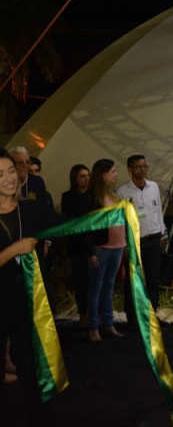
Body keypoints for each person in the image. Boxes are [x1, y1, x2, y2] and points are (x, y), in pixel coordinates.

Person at [0, 149, 62, 426]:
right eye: (0, 174)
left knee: (33, 375)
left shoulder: (32, 208)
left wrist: (109, 217)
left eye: (11, 171)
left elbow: (67, 225)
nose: (9, 178)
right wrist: (15, 249)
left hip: (29, 305)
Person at [116, 155, 166, 334]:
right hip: (134, 242)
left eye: (145, 166)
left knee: (153, 280)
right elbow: (121, 221)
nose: (142, 169)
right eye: (138, 167)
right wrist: (124, 245)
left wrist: (162, 233)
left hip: (153, 239)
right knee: (133, 282)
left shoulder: (153, 187)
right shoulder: (122, 191)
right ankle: (132, 318)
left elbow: (158, 210)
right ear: (129, 169)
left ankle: (152, 316)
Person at [85, 159, 126, 343]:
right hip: (100, 247)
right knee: (95, 289)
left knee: (108, 288)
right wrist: (89, 252)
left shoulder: (113, 194)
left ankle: (107, 324)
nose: (116, 174)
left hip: (117, 246)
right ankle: (93, 328)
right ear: (104, 174)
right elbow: (84, 227)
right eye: (113, 171)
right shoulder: (92, 197)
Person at [60, 164, 93, 330]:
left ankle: (94, 315)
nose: (86, 179)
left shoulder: (93, 196)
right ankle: (83, 315)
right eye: (82, 176)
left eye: (88, 175)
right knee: (81, 282)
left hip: (93, 244)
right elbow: (75, 223)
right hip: (77, 245)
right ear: (75, 178)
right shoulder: (68, 197)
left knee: (94, 283)